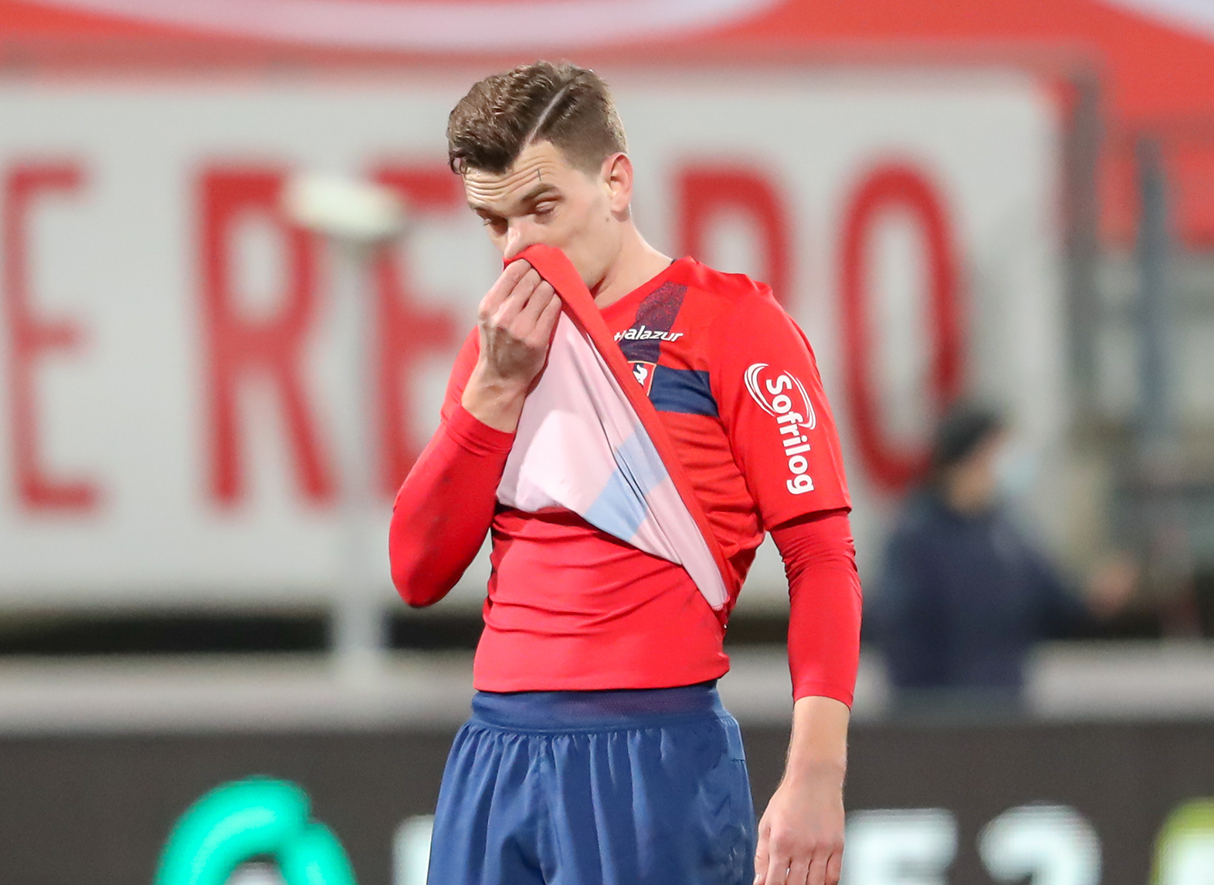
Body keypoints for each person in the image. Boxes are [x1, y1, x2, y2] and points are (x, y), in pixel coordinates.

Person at [389, 61, 862, 885]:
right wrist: (494, 389)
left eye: (542, 209)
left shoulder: (735, 327)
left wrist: (817, 772)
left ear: (616, 182)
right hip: (495, 756)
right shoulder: (501, 342)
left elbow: (822, 560)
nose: (519, 248)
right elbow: (417, 569)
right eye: (493, 222)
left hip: (653, 759)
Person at [871, 403, 1134, 711]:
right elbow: (897, 629)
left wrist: (1094, 600)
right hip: (939, 718)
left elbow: (1052, 601)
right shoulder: (915, 537)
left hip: (1006, 710)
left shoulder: (1008, 531)